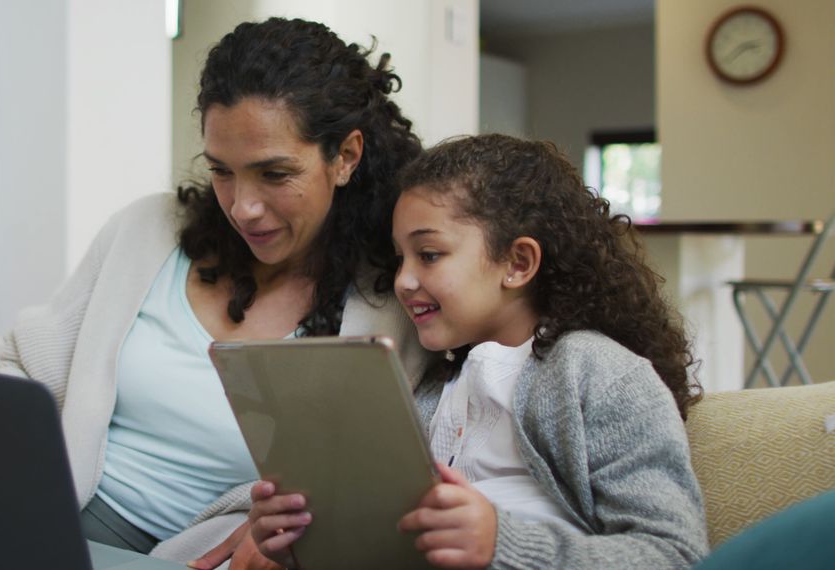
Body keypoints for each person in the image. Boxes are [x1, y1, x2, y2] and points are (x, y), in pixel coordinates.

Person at [0, 17, 426, 570]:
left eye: (273, 174)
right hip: (54, 519)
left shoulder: (390, 308)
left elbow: (380, 491)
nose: (242, 205)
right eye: (223, 171)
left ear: (344, 156)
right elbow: (23, 367)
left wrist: (296, 536)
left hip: (210, 557)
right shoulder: (146, 230)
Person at [247, 134, 710, 568]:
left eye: (428, 254)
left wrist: (501, 544)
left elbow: (674, 554)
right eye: (399, 259)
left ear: (517, 263)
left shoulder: (597, 372)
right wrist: (299, 538)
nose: (403, 281)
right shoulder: (431, 387)